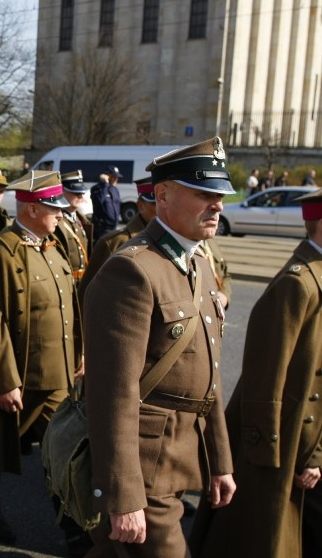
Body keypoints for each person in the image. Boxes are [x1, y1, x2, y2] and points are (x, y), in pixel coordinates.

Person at [83, 137, 236, 556]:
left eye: (220, 195)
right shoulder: (132, 270)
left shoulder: (198, 262)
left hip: (183, 453)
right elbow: (113, 393)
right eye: (205, 193)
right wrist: (123, 494)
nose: (217, 205)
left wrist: (220, 461)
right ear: (163, 195)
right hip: (145, 463)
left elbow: (211, 379)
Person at [190, 188, 322, 557]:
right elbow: (265, 381)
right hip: (292, 442)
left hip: (310, 443)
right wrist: (273, 459)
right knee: (260, 532)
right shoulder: (298, 284)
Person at [0, 170, 82, 545]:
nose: (60, 214)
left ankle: (76, 528)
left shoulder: (51, 247)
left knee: (67, 451)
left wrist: (79, 357)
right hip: (22, 376)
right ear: (33, 208)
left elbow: (69, 309)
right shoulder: (3, 252)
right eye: (53, 208)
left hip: (58, 377)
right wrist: (5, 380)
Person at [79, 177, 157, 300]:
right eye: (155, 203)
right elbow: (88, 292)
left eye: (165, 202)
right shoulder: (114, 242)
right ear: (141, 206)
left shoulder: (172, 239)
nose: (162, 208)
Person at [55, 170, 91, 284]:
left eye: (81, 193)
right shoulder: (57, 221)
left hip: (83, 280)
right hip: (67, 280)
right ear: (62, 192)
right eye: (76, 193)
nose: (80, 196)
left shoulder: (81, 219)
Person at [90, 166, 122, 240]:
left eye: (117, 177)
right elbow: (99, 201)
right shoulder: (97, 188)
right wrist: (105, 184)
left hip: (114, 227)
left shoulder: (115, 190)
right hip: (102, 229)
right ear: (107, 176)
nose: (116, 179)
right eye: (114, 177)